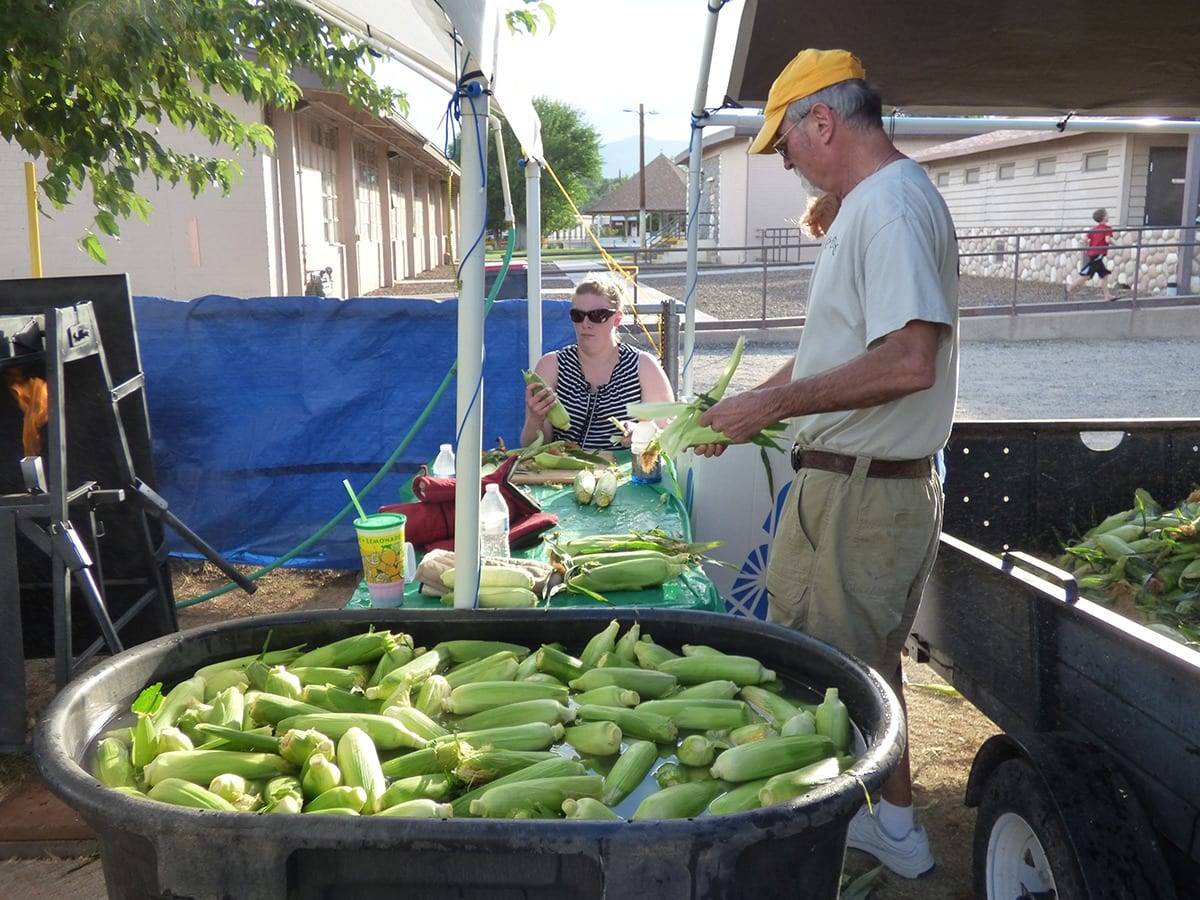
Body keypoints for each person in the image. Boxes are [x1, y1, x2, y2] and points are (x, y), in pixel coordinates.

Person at [694, 48, 959, 879]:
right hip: (849, 490)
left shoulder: (889, 208)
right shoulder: (874, 206)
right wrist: (742, 413)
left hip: (863, 497)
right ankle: (897, 827)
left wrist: (767, 408)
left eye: (786, 142)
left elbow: (910, 360)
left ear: (823, 120)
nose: (784, 160)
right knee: (858, 671)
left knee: (832, 679)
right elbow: (829, 358)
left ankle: (847, 840)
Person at [520, 274, 674, 451]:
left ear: (617, 318)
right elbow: (530, 447)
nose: (585, 323)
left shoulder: (644, 366)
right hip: (564, 472)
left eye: (597, 315)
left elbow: (668, 435)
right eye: (577, 315)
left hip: (624, 475)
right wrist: (535, 419)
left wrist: (642, 433)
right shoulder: (551, 365)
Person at [1066, 208, 1116, 300]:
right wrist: (1116, 245)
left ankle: (1107, 296)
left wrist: (1088, 246)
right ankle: (1069, 288)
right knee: (1086, 276)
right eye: (1107, 214)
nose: (1108, 216)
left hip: (1093, 253)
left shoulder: (1094, 229)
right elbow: (1107, 240)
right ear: (1104, 217)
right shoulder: (1107, 228)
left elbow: (1085, 239)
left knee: (1104, 275)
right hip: (1099, 254)